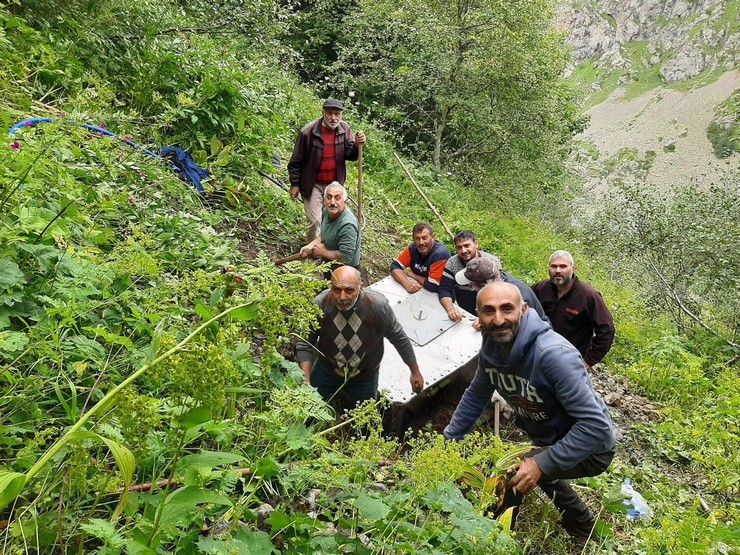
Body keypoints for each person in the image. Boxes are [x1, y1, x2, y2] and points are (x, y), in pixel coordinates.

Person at [443, 283, 615, 539]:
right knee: (539, 468)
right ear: (478, 315)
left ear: (523, 310)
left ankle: (494, 538)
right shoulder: (492, 348)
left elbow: (596, 428)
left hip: (591, 448)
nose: (498, 319)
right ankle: (583, 526)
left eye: (507, 309)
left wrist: (540, 462)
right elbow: (476, 395)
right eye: (489, 311)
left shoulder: (552, 355)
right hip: (550, 437)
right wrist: (449, 441)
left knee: (511, 472)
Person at [296, 266, 425, 408]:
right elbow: (305, 342)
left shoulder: (377, 307)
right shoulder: (322, 304)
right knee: (308, 409)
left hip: (364, 376)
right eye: (337, 290)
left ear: (360, 288)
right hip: (326, 370)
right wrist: (306, 381)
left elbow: (398, 337)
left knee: (364, 419)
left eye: (349, 290)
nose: (342, 297)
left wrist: (415, 372)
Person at [288, 98, 367, 241]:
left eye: (337, 114)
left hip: (334, 186)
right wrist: (295, 184)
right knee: (315, 221)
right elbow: (296, 161)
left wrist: (356, 145)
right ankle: (312, 252)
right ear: (323, 113)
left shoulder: (345, 129)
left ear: (341, 114)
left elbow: (350, 155)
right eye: (329, 113)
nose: (333, 117)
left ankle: (325, 249)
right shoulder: (308, 132)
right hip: (312, 184)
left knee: (330, 220)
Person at [532, 250, 615, 369]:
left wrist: (588, 361)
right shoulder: (540, 289)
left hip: (569, 363)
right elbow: (524, 315)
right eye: (554, 266)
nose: (558, 271)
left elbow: (607, 330)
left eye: (563, 266)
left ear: (573, 268)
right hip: (537, 356)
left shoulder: (588, 296)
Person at [454, 256, 548, 329]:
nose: (472, 288)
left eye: (471, 285)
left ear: (484, 285)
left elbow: (520, 329)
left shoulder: (518, 295)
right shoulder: (500, 280)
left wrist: (488, 321)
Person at [300, 183, 361, 271]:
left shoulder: (347, 225)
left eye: (337, 198)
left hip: (346, 272)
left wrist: (324, 252)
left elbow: (345, 257)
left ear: (345, 203)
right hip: (329, 265)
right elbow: (325, 234)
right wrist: (310, 246)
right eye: (329, 197)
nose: (332, 202)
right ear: (324, 200)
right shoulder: (327, 212)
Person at [390, 222, 451, 293]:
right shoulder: (412, 248)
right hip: (419, 288)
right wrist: (407, 284)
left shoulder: (440, 254)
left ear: (433, 237)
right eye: (417, 239)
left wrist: (414, 275)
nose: (421, 242)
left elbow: (433, 286)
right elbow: (395, 265)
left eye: (424, 238)